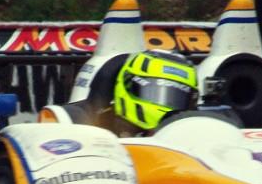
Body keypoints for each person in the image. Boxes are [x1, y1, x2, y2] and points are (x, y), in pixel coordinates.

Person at [62, 49, 199, 136]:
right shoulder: (93, 127)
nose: (164, 105)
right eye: (153, 92)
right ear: (129, 84)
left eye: (177, 97)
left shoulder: (189, 135)